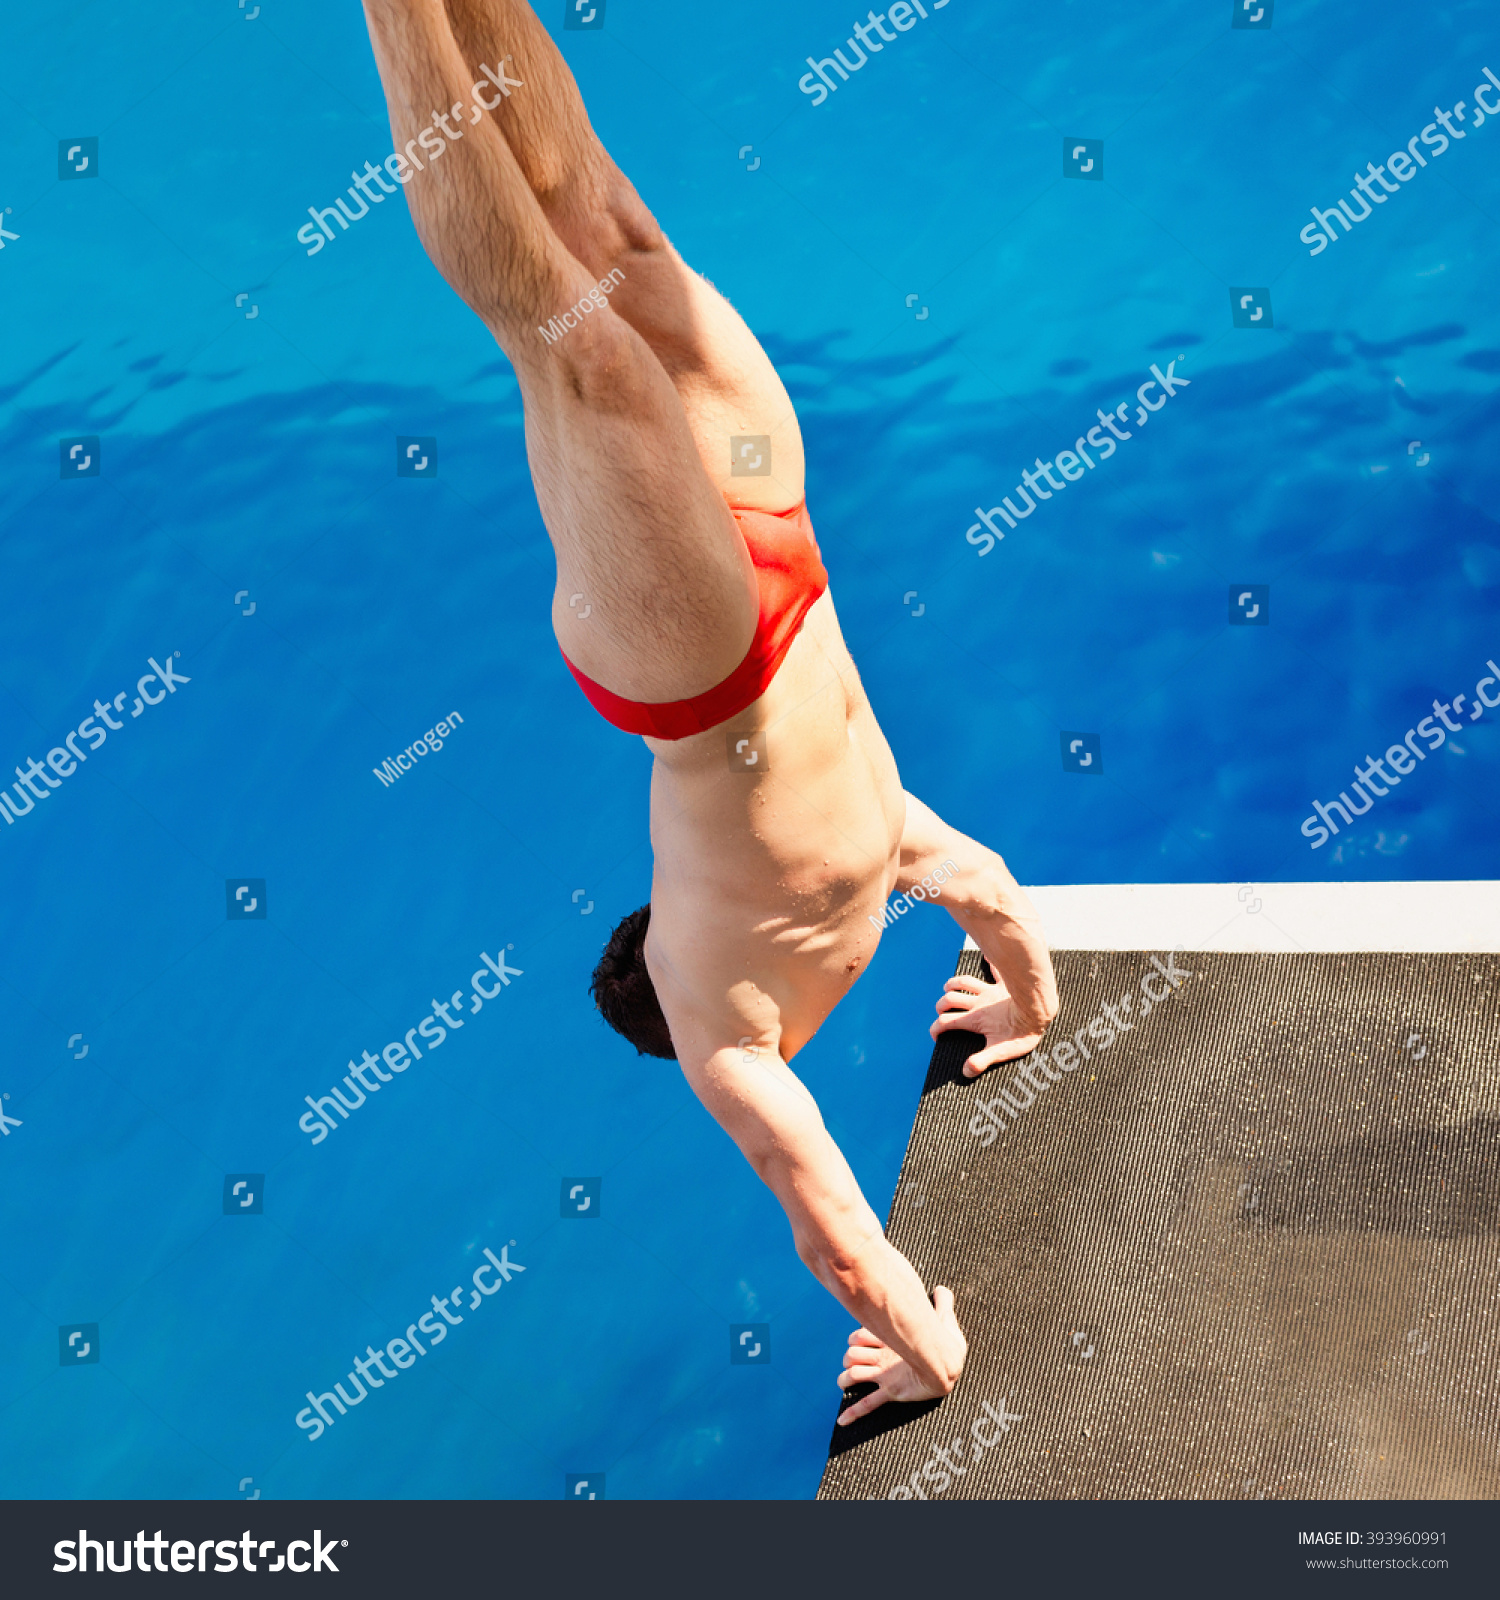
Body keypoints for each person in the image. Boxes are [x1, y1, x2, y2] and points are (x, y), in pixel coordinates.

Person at [361, 0, 1059, 1422]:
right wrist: (1030, 1010)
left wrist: (929, 1349)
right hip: (774, 541)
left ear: (665, 1004)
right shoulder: (875, 860)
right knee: (610, 243)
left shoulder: (739, 1021)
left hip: (700, 653)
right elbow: (987, 890)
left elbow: (837, 1239)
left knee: (570, 337)